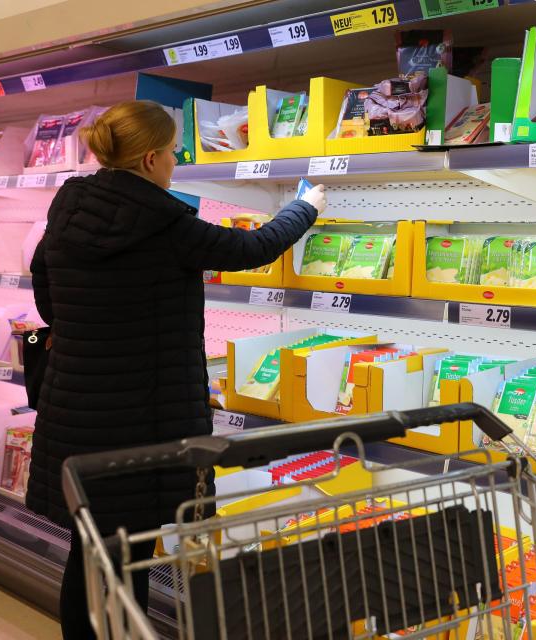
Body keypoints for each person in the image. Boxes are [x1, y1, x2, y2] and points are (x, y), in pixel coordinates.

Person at [24, 100, 326, 639]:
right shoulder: (164, 223)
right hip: (138, 424)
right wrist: (306, 206)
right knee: (128, 555)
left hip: (72, 413)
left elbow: (47, 295)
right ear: (148, 160)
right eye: (172, 153)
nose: (175, 162)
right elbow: (252, 247)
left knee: (92, 551)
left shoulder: (68, 207)